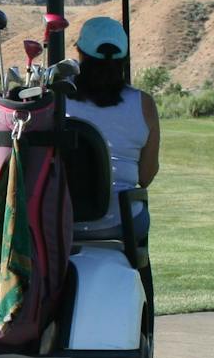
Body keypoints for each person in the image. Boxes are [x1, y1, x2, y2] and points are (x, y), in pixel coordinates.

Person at [63, 16, 159, 250]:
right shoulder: (144, 104)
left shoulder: (57, 98)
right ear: (123, 59)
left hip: (63, 221)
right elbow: (145, 176)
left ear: (80, 54)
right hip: (123, 223)